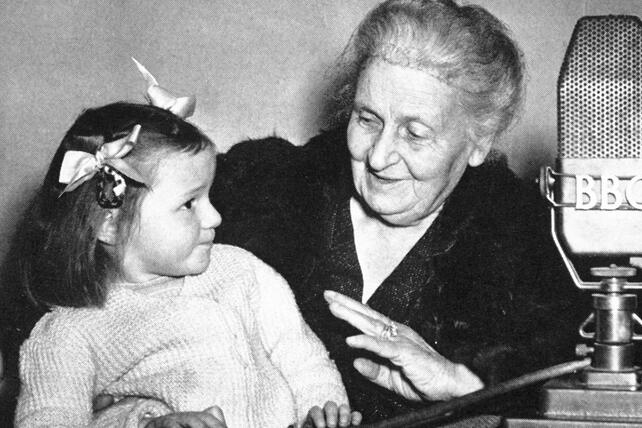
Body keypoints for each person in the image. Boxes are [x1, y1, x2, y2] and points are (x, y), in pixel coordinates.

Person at [210, 0, 585, 422]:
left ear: (479, 142)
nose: (379, 156)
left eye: (414, 133)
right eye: (368, 120)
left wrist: (465, 385)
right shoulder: (254, 193)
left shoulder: (536, 249)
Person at [13, 98, 361, 428]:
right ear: (110, 223)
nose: (213, 216)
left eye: (208, 196)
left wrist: (324, 409)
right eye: (189, 204)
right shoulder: (68, 334)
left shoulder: (243, 271)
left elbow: (303, 358)